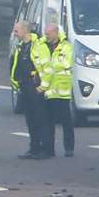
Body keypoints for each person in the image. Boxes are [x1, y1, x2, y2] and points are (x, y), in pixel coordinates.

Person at [10, 20, 50, 159]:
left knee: (40, 119)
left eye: (16, 30)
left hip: (35, 87)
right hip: (25, 86)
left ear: (25, 30)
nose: (14, 33)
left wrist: (42, 87)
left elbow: (47, 69)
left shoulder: (39, 46)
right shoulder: (21, 46)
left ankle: (44, 150)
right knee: (30, 119)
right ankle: (33, 148)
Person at [42, 23, 74, 157]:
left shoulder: (66, 46)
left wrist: (49, 65)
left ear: (55, 32)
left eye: (48, 33)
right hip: (48, 90)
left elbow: (67, 63)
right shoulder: (42, 46)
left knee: (66, 122)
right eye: (46, 33)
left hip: (62, 92)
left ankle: (69, 148)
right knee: (48, 122)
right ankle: (49, 150)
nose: (46, 36)